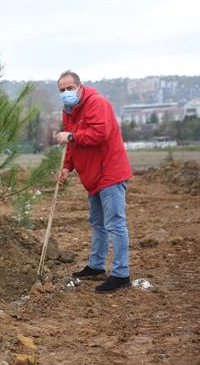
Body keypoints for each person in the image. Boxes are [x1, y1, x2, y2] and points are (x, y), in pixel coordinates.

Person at [54, 70, 133, 293]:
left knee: (115, 223)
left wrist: (71, 136)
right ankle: (96, 266)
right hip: (92, 176)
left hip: (110, 172)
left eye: (69, 88)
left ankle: (121, 274)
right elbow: (73, 146)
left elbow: (100, 133)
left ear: (80, 86)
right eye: (62, 90)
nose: (66, 93)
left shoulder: (97, 103)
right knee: (97, 222)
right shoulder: (69, 111)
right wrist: (67, 168)